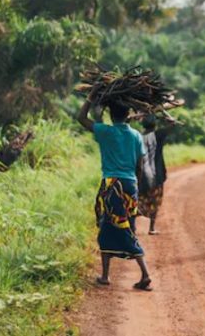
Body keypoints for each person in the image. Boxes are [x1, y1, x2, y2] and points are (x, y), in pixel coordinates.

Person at [77, 99, 153, 291]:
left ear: (111, 114)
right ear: (129, 114)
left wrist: (91, 98)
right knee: (117, 227)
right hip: (130, 185)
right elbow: (140, 165)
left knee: (113, 229)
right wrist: (135, 187)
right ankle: (107, 275)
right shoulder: (136, 135)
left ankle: (143, 274)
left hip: (112, 185)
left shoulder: (106, 131)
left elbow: (81, 118)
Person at [137, 115, 172, 235]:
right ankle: (151, 228)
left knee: (139, 200)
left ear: (142, 124)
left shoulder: (137, 137)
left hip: (140, 175)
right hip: (156, 175)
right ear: (155, 124)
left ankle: (132, 227)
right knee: (155, 201)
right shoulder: (158, 135)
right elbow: (172, 125)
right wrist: (164, 116)